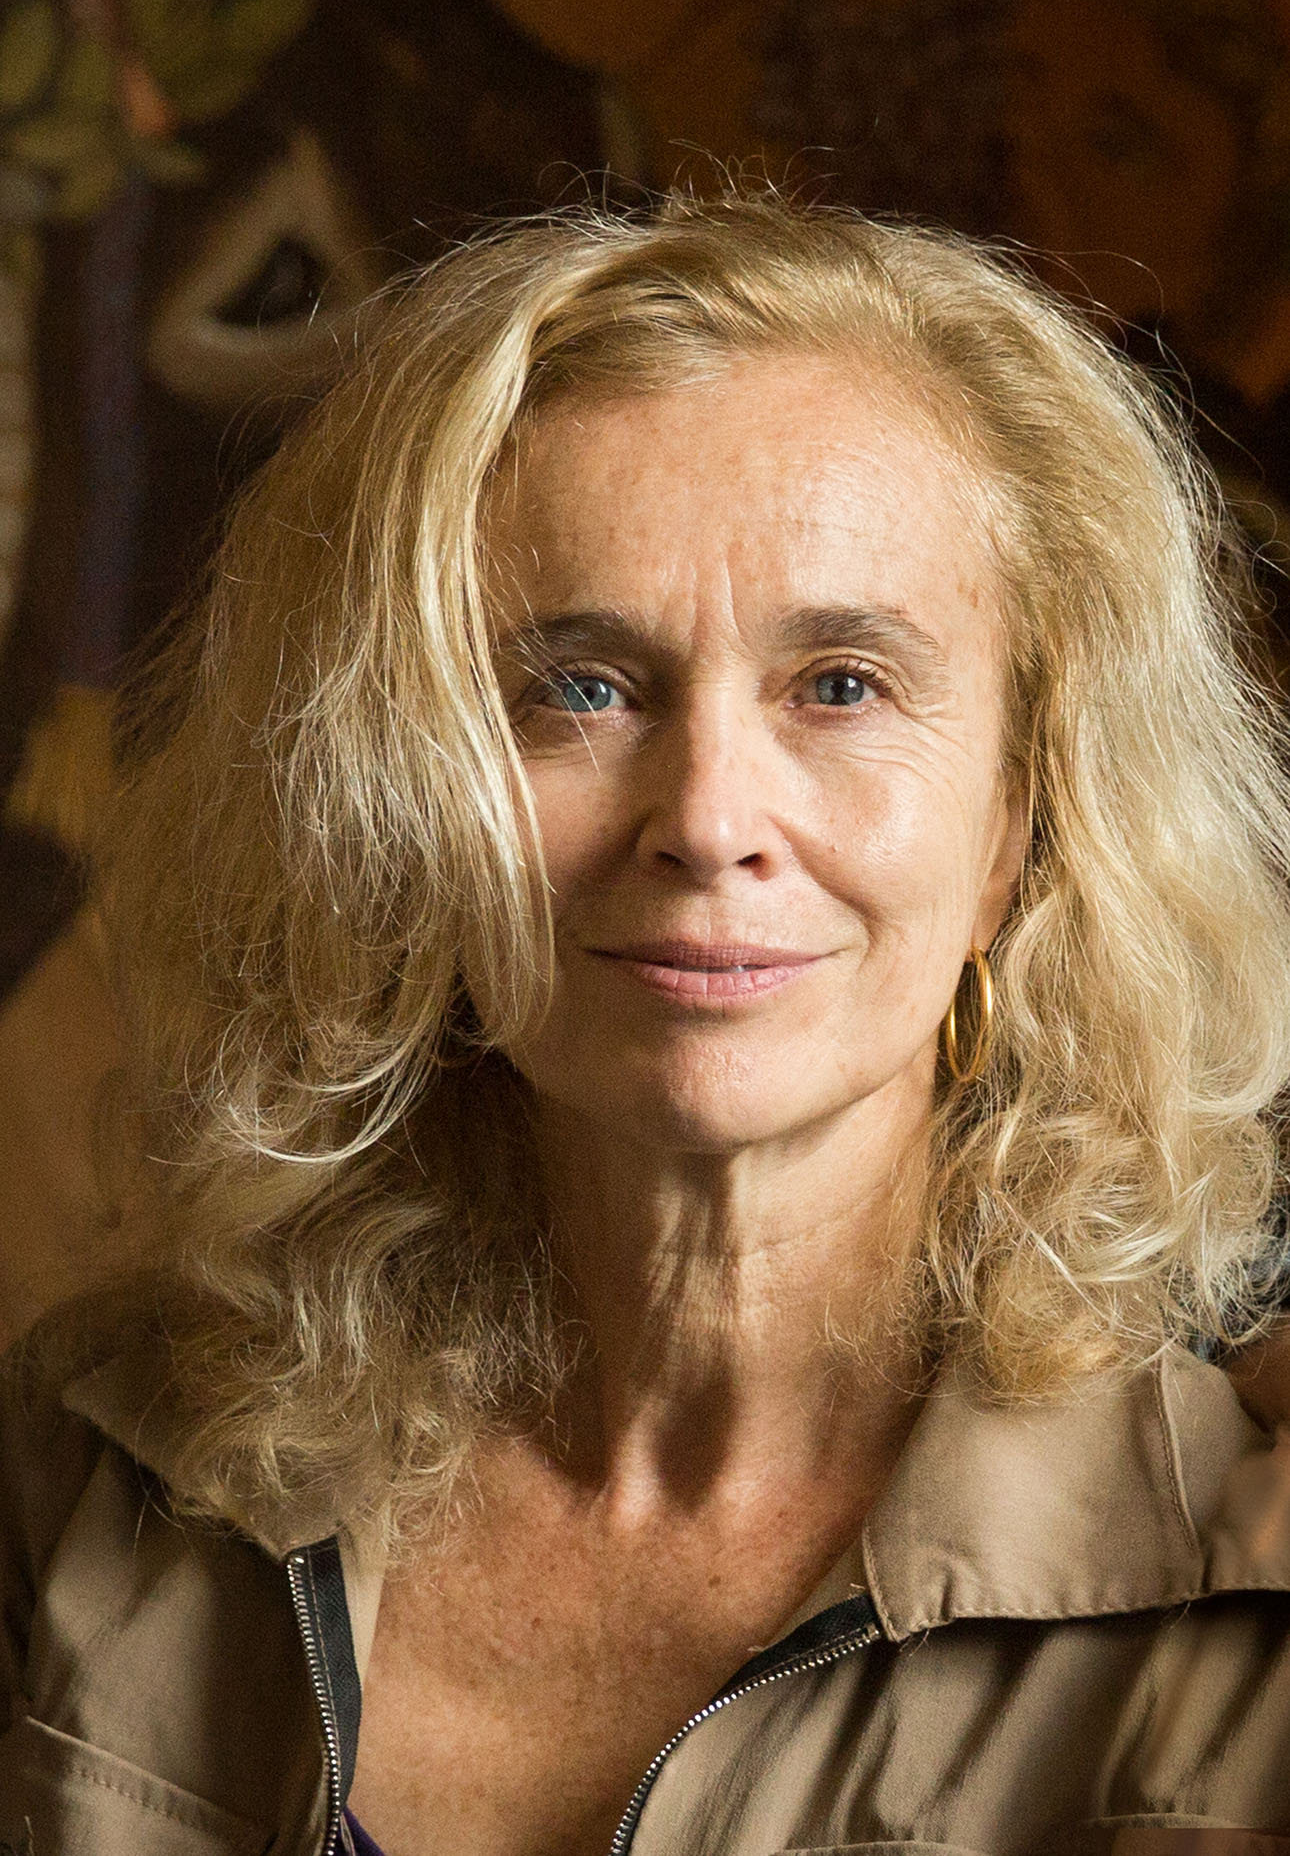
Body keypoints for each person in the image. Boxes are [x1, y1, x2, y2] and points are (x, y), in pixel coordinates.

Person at [4, 192, 1290, 1856]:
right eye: (577, 688)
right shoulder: (81, 1476)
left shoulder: (1241, 1598)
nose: (705, 819)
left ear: (1015, 824)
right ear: (392, 800)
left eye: (840, 684)